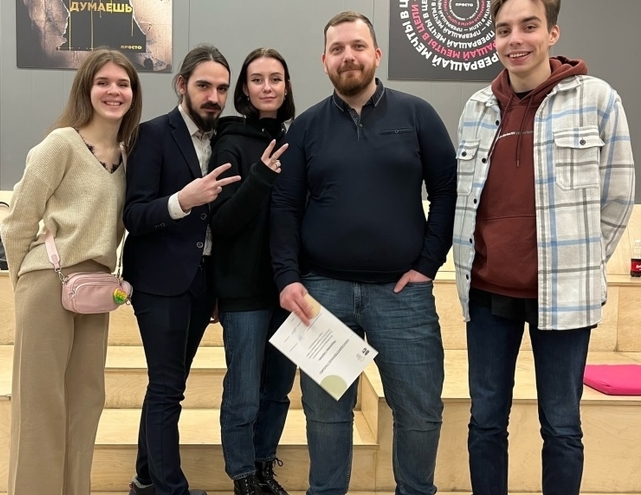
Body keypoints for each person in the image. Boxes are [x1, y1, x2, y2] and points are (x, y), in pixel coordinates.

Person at [270, 11, 457, 495]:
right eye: (337, 49)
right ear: (324, 61)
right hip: (322, 294)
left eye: (357, 46)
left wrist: (428, 264)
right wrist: (288, 277)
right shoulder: (305, 128)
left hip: (403, 295)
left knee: (420, 411)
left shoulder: (417, 115)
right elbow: (285, 207)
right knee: (326, 415)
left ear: (376, 54)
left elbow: (446, 191)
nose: (348, 56)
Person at [452, 0, 636, 493]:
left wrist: (580, 262)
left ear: (552, 33)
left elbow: (618, 195)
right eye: (504, 29)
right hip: (487, 295)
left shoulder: (597, 99)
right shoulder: (477, 107)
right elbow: (466, 199)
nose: (515, 39)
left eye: (529, 26)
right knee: (485, 422)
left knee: (561, 426)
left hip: (564, 297)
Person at [0, 48, 142, 495]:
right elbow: (17, 222)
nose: (114, 91)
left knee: (85, 403)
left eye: (123, 83)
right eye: (103, 82)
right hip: (49, 282)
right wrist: (26, 286)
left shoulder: (128, 156)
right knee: (40, 407)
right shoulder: (61, 144)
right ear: (86, 88)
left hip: (95, 289)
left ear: (134, 93)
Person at [123, 44, 240, 495]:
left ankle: (145, 478)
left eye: (222, 89)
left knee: (166, 385)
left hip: (202, 280)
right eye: (204, 86)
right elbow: (134, 215)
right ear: (181, 85)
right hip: (159, 282)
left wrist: (216, 287)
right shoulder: (152, 134)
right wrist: (181, 201)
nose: (214, 97)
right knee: (168, 387)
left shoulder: (225, 137)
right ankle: (170, 489)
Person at [208, 48, 297, 495]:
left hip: (289, 290)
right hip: (244, 292)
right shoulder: (230, 143)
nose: (267, 87)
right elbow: (222, 221)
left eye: (275, 79)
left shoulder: (297, 140)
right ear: (244, 89)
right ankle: (242, 474)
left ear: (286, 86)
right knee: (243, 392)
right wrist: (260, 175)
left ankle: (263, 467)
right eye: (257, 79)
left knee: (278, 390)